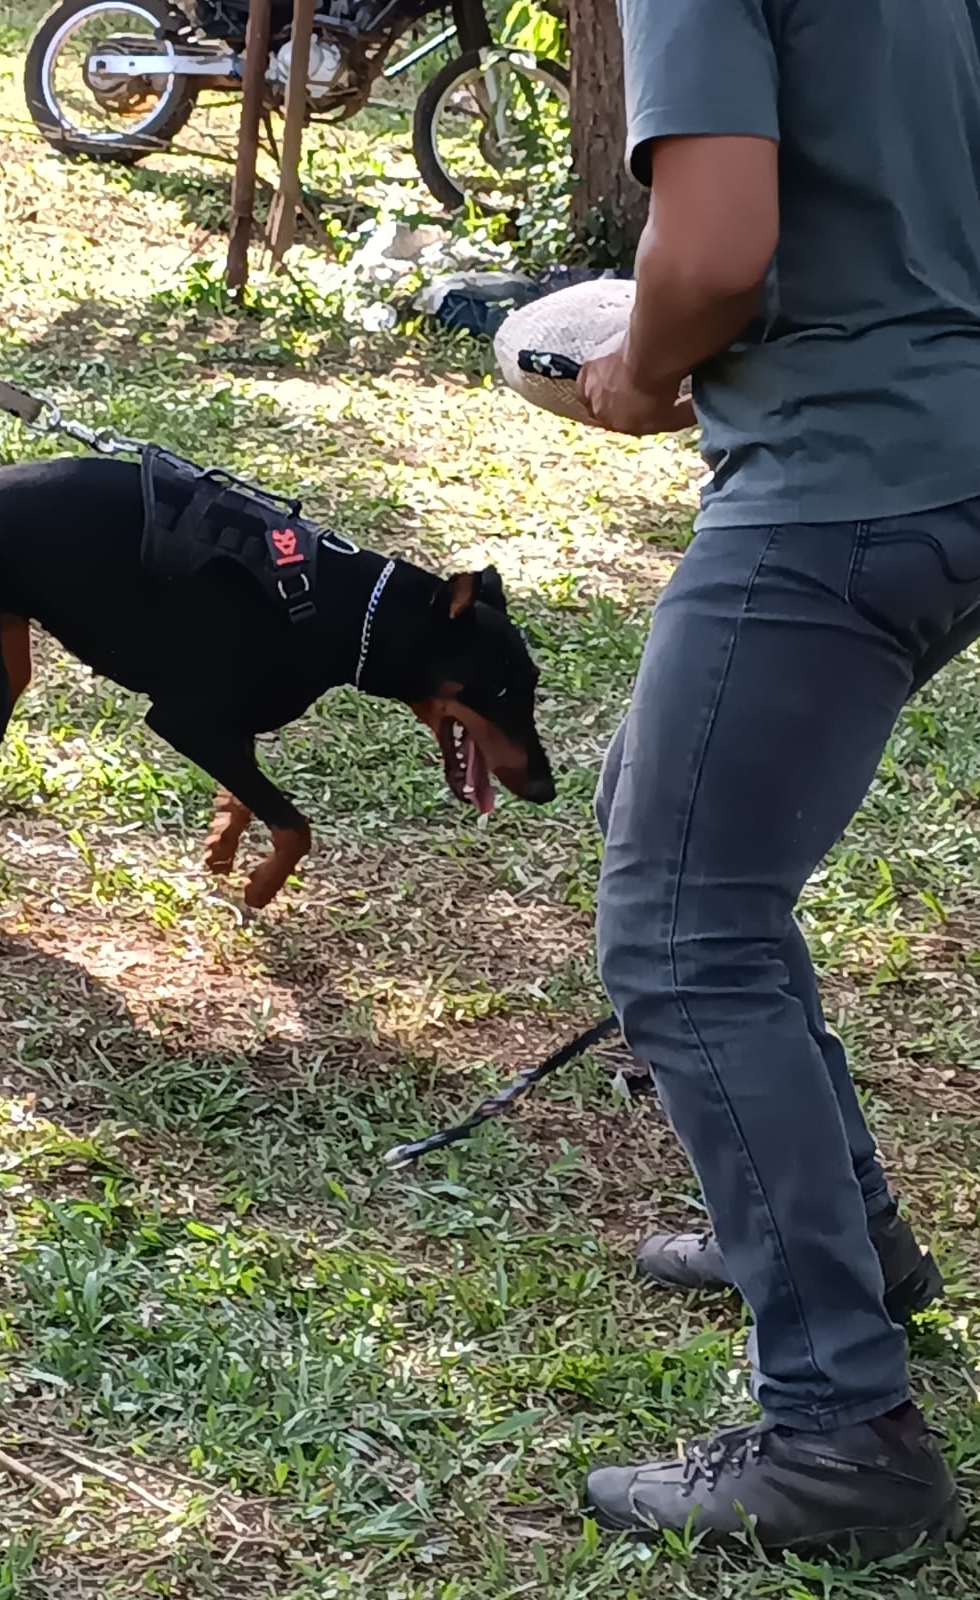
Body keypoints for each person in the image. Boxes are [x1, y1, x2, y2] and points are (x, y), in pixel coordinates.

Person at [570, 0, 980, 1559]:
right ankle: (852, 1249)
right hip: (947, 456)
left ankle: (839, 1437)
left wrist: (634, 365)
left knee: (681, 932)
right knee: (672, 834)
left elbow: (716, 248)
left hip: (845, 473)